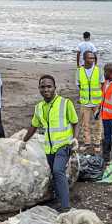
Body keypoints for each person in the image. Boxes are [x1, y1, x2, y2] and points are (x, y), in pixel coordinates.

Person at [19, 75, 79, 212]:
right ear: (39, 89)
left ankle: (65, 207)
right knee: (54, 172)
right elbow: (34, 126)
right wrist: (23, 141)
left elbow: (75, 122)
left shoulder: (65, 103)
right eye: (43, 87)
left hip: (64, 145)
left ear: (54, 88)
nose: (46, 89)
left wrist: (75, 139)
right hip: (49, 148)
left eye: (49, 86)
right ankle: (58, 198)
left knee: (58, 170)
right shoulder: (39, 107)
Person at [76, 51, 104, 153]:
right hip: (85, 102)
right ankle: (86, 142)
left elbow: (102, 83)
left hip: (97, 102)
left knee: (98, 123)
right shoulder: (79, 71)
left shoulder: (98, 70)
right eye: (90, 58)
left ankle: (97, 142)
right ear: (84, 59)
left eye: (93, 58)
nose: (92, 60)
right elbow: (79, 84)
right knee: (85, 123)